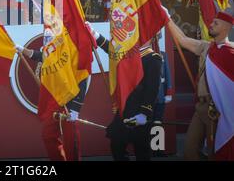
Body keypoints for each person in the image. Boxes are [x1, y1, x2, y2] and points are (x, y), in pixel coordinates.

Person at [165, 9, 234, 161]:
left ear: (226, 27)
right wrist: (167, 17)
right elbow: (182, 39)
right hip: (200, 107)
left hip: (217, 111)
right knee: (190, 151)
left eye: (215, 23)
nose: (211, 25)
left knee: (215, 153)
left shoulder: (231, 52)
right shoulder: (206, 47)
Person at [87, 23, 162, 161]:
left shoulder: (153, 58)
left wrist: (144, 113)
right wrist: (94, 34)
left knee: (142, 152)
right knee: (116, 146)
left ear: (151, 37)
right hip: (124, 110)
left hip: (140, 112)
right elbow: (110, 50)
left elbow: (152, 89)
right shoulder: (129, 54)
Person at [16, 34, 87, 161]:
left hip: (69, 100)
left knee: (71, 141)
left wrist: (76, 107)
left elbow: (83, 74)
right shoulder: (53, 44)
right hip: (54, 99)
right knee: (48, 135)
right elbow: (41, 56)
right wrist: (22, 49)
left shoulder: (71, 43)